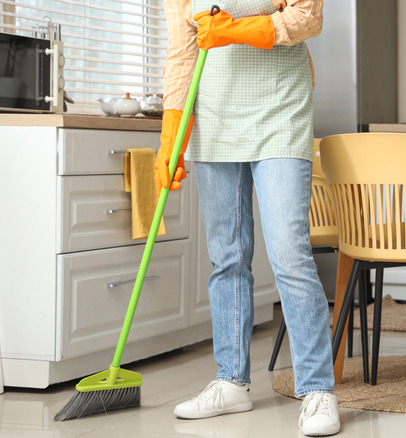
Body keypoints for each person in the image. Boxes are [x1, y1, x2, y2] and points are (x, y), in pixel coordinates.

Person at [158, 1, 339, 436]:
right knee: (227, 257)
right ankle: (232, 382)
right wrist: (171, 131)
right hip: (213, 118)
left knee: (289, 255)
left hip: (280, 109)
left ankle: (317, 389)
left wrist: (239, 30)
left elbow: (308, 17)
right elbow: (183, 53)